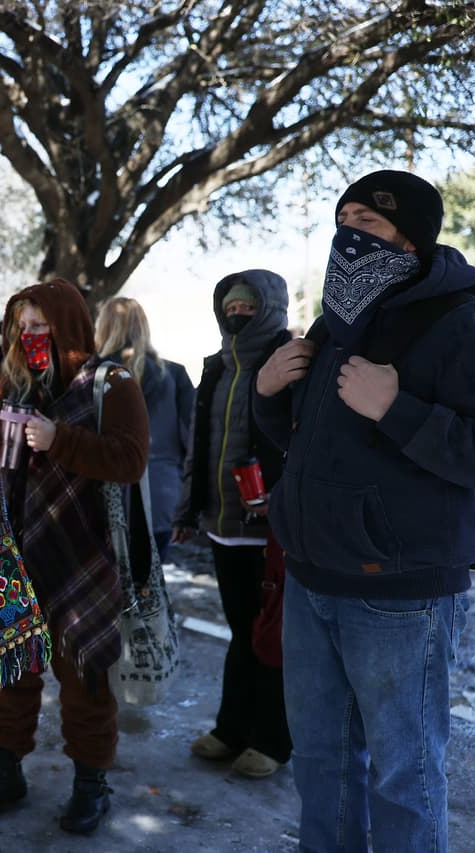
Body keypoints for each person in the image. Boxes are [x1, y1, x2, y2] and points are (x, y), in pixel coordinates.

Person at [254, 170, 475, 851]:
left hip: (401, 596)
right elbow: (309, 446)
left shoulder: (466, 325)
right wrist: (268, 393)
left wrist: (398, 408)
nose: (350, 236)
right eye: (345, 220)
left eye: (369, 223)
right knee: (321, 769)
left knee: (405, 778)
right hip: (312, 582)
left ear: (413, 240)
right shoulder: (333, 327)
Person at [0, 279, 149, 836]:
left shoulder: (111, 382)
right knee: (6, 673)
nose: (30, 335)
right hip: (6, 548)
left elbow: (131, 459)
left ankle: (90, 785)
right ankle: (6, 772)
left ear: (68, 324)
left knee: (86, 677)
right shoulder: (5, 380)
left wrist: (59, 440)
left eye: (41, 325)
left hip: (81, 553)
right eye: (22, 326)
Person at [171, 270, 293, 779]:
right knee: (241, 632)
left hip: (272, 532)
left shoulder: (291, 362)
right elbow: (199, 444)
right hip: (223, 525)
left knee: (272, 637)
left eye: (248, 306)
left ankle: (272, 740)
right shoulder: (216, 369)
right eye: (231, 305)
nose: (237, 313)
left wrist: (283, 503)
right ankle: (231, 729)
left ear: (269, 308)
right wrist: (186, 510)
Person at [94, 296, 194, 560]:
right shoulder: (174, 375)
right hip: (160, 497)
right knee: (149, 589)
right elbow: (191, 440)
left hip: (102, 500)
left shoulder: (91, 375)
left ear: (103, 327)